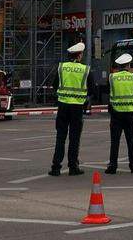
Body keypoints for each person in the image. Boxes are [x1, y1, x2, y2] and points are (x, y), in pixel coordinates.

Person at [50, 42, 91, 177]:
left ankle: (56, 167)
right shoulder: (85, 69)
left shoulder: (62, 67)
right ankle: (73, 167)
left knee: (60, 137)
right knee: (74, 138)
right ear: (79, 55)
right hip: (77, 108)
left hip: (62, 106)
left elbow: (55, 85)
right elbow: (91, 88)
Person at [106, 53, 133, 174]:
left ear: (118, 65)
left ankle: (112, 166)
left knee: (115, 142)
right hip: (131, 113)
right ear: (128, 64)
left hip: (116, 113)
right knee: (131, 141)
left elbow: (108, 92)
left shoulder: (112, 77)